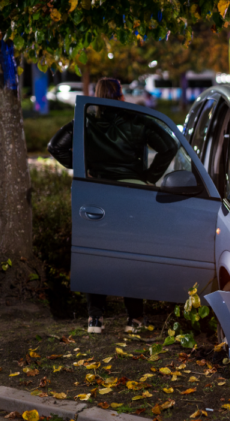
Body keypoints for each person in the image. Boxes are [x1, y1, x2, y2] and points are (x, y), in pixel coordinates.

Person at [47, 77, 177, 334]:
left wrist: (83, 167)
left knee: (98, 255)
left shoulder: (85, 122)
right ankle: (135, 319)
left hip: (97, 194)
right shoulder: (138, 119)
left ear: (95, 98)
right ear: (121, 97)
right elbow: (170, 146)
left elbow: (55, 147)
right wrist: (149, 177)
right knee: (131, 255)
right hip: (132, 196)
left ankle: (95, 319)